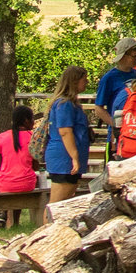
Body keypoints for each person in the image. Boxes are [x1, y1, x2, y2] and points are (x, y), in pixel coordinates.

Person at [43, 65, 92, 202]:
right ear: (74, 82)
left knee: (67, 199)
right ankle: (48, 224)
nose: (86, 82)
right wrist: (74, 156)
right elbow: (65, 131)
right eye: (84, 79)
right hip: (64, 158)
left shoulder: (72, 103)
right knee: (57, 203)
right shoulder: (64, 104)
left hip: (70, 157)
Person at [0, 106, 41, 195]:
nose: (34, 122)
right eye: (32, 118)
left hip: (5, 185)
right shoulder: (33, 137)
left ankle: (6, 209)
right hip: (27, 185)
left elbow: (1, 165)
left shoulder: (2, 137)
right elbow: (35, 167)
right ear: (26, 120)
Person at [96, 37, 136, 123]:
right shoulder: (109, 78)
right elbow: (98, 108)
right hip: (119, 129)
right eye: (134, 56)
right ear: (123, 56)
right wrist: (114, 125)